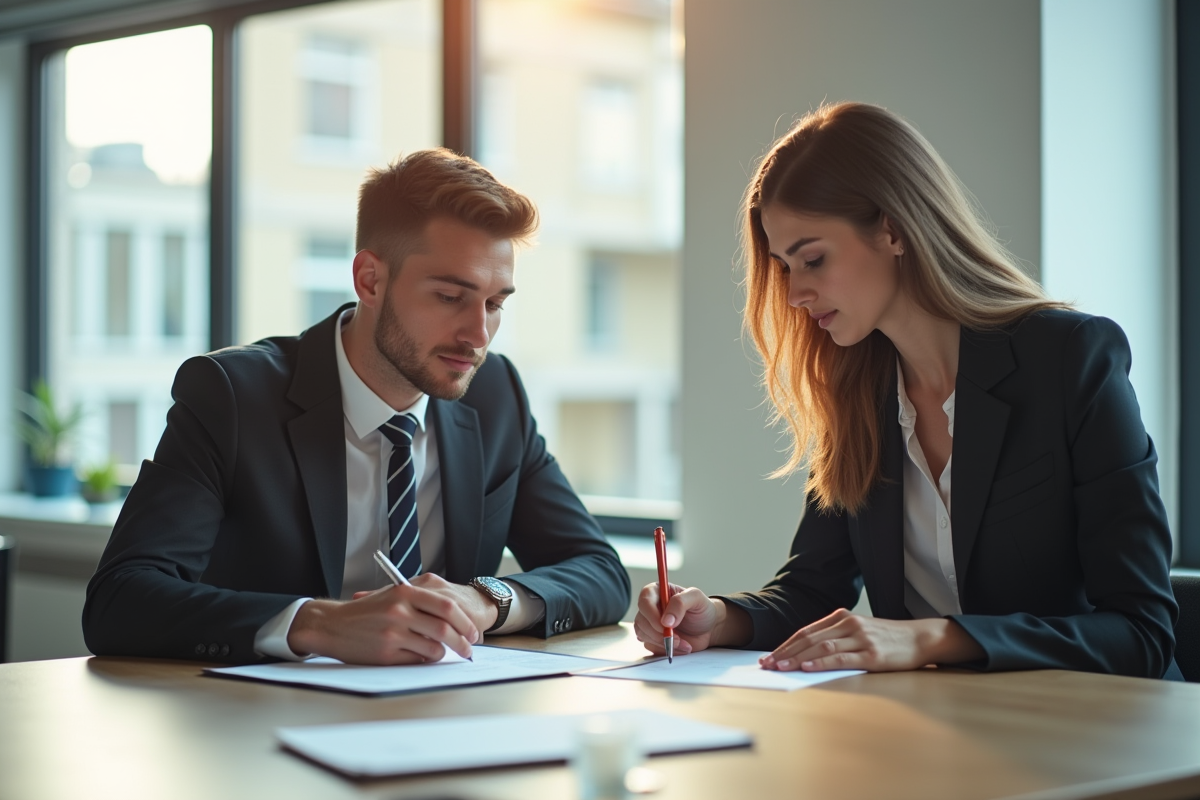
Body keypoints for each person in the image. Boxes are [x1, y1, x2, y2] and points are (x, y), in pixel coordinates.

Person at [635, 102, 1180, 679]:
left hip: (1094, 730)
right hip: (939, 731)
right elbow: (813, 589)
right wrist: (719, 619)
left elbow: (1141, 632)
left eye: (812, 259)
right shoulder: (857, 391)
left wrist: (930, 639)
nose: (794, 293)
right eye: (784, 267)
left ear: (893, 229)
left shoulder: (1071, 358)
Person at [84, 149, 630, 666]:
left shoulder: (496, 397)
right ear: (370, 279)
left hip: (446, 717)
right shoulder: (231, 395)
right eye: (449, 296)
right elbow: (120, 599)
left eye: (494, 304)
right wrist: (320, 624)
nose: (477, 335)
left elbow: (600, 572)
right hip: (258, 727)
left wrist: (486, 601)